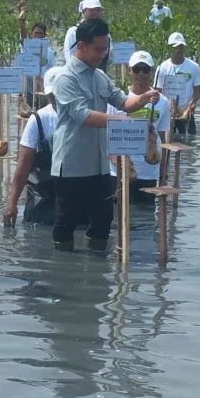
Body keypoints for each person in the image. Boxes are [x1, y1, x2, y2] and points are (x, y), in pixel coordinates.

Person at [50, 19, 160, 251]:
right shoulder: (65, 78)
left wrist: (144, 97)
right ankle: (63, 276)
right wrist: (122, 122)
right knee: (65, 225)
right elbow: (84, 116)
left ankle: (97, 280)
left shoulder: (100, 76)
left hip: (99, 166)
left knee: (102, 223)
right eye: (98, 49)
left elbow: (124, 103)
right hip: (72, 165)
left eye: (105, 48)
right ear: (81, 45)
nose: (103, 54)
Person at [107, 51, 170, 203]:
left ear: (152, 72)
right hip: (119, 172)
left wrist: (163, 175)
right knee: (117, 218)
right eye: (137, 69)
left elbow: (163, 139)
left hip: (148, 171)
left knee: (146, 219)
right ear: (129, 70)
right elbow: (106, 134)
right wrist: (117, 163)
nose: (141, 73)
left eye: (145, 69)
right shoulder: (118, 98)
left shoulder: (163, 102)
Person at [3, 66, 62, 226]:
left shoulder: (82, 116)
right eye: (53, 95)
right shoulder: (39, 119)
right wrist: (12, 203)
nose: (56, 98)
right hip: (42, 200)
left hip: (71, 198)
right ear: (47, 94)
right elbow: (23, 166)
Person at [154, 32, 200, 135]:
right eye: (175, 47)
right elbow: (158, 91)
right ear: (169, 48)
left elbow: (197, 89)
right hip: (167, 114)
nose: (178, 50)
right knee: (167, 144)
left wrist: (190, 105)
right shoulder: (162, 67)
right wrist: (170, 106)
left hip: (186, 113)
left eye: (181, 47)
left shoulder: (194, 67)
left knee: (189, 144)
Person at [17, 13, 55, 107]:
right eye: (36, 33)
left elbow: (51, 72)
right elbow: (22, 36)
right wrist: (22, 23)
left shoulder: (49, 52)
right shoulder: (26, 47)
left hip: (43, 89)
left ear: (45, 35)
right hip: (28, 90)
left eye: (40, 33)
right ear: (31, 34)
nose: (38, 36)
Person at [64, 0, 110, 71]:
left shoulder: (104, 32)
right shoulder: (73, 31)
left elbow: (108, 56)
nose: (95, 12)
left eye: (98, 10)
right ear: (84, 11)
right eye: (92, 10)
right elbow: (69, 55)